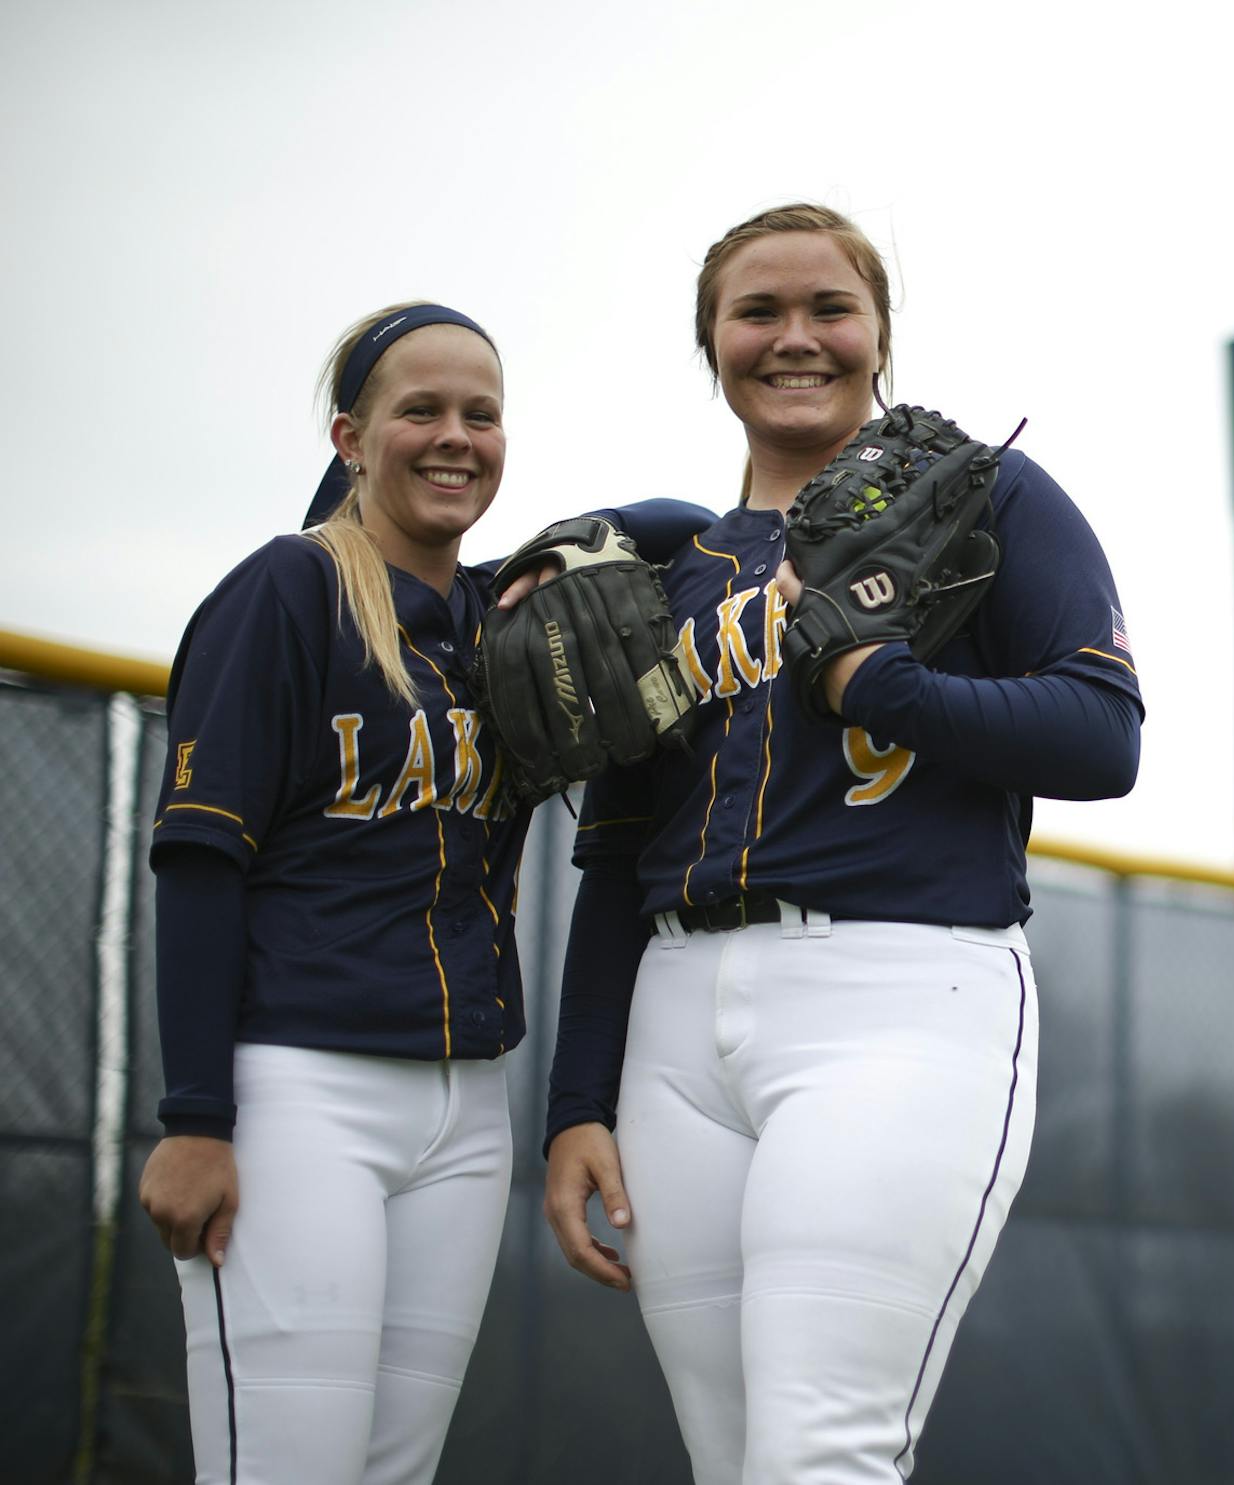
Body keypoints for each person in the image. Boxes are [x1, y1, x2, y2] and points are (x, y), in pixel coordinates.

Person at [542, 203, 1144, 1481]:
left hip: (901, 993)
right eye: (757, 312)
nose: (795, 337)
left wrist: (883, 687)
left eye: (831, 309)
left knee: (822, 1452)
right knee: (726, 1457)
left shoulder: (985, 497)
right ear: (711, 344)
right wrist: (576, 1099)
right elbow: (617, 856)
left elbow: (1104, 736)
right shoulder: (667, 569)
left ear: (880, 336)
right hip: (674, 1022)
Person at [137, 302, 709, 1485]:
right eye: (422, 412)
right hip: (300, 1091)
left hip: (462, 1112)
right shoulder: (286, 596)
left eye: (482, 415)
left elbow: (680, 528)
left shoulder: (496, 615)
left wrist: (565, 543)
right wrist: (194, 1118)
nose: (457, 438)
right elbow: (199, 866)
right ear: (350, 438)